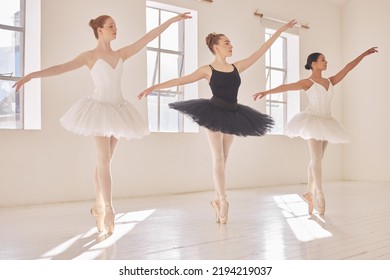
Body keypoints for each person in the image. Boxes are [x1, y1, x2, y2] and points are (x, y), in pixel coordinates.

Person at [13, 12, 192, 234]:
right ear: (100, 30)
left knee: (104, 163)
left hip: (119, 111)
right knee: (104, 160)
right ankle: (108, 208)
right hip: (98, 110)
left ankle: (98, 206)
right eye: (111, 26)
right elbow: (60, 68)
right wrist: (32, 75)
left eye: (115, 26)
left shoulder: (121, 54)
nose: (115, 29)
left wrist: (171, 21)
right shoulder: (89, 56)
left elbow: (147, 39)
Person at [138, 20, 297, 224]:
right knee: (218, 158)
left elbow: (262, 50)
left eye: (231, 43)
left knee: (225, 157)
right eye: (227, 43)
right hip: (213, 112)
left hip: (233, 113)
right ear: (216, 47)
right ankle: (223, 201)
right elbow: (180, 80)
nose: (231, 46)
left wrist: (281, 30)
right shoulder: (207, 69)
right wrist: (154, 87)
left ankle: (217, 199)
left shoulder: (237, 66)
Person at [253, 47, 378, 215]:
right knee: (316, 160)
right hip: (312, 121)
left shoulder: (330, 81)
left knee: (317, 160)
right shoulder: (308, 83)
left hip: (327, 121)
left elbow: (348, 68)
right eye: (323, 60)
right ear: (314, 64)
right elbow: (286, 87)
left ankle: (309, 193)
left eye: (325, 60)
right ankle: (319, 194)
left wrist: (364, 54)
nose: (326, 62)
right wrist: (266, 92)